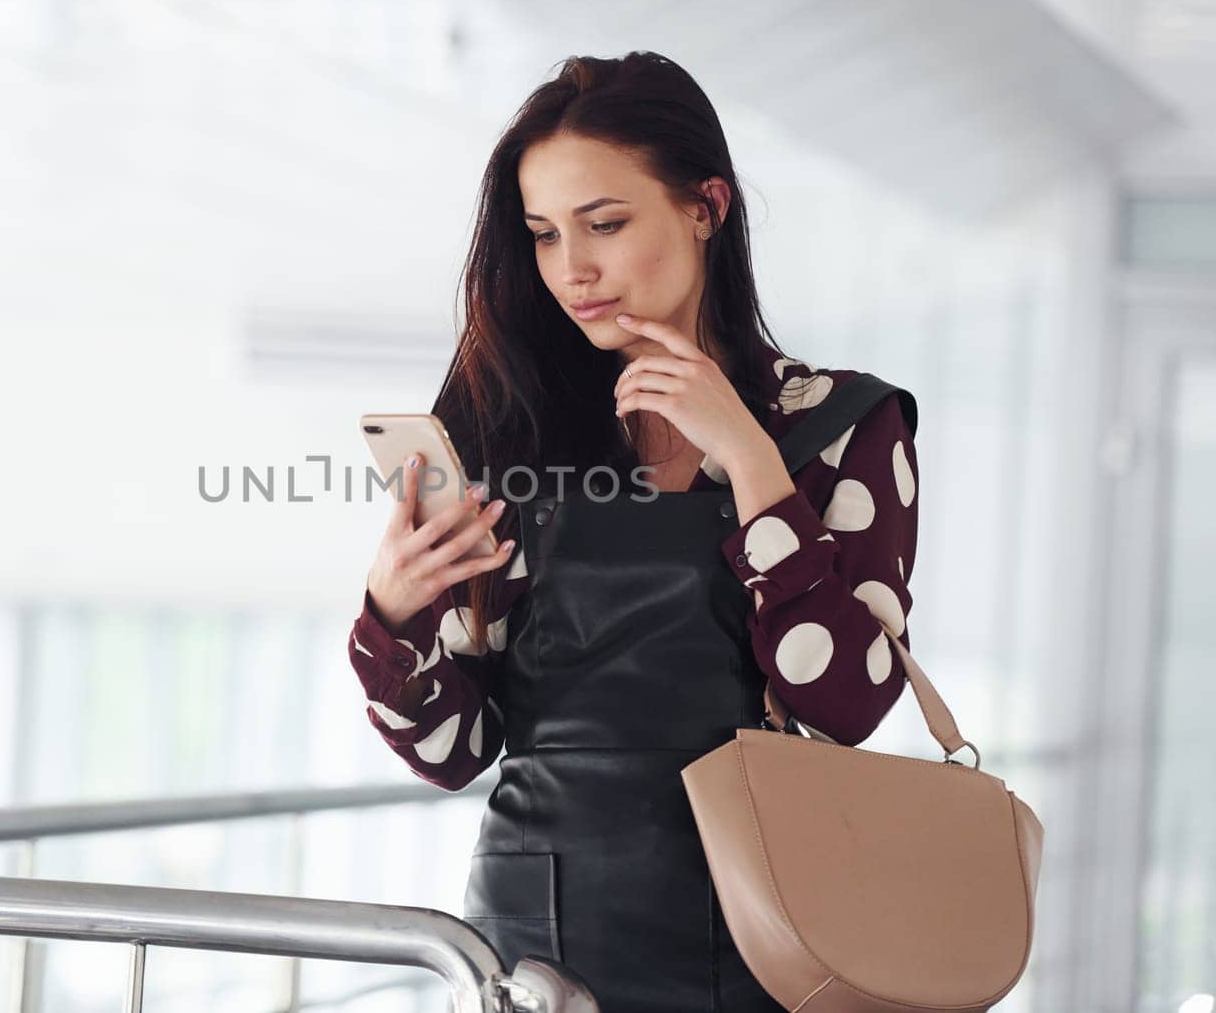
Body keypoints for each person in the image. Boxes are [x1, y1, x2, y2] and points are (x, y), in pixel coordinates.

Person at [347, 51, 920, 1013]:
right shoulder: (512, 433)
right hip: (534, 939)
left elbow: (849, 702)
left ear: (706, 206)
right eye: (542, 235)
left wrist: (752, 463)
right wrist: (391, 621)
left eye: (606, 223)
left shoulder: (844, 424)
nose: (573, 268)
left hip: (768, 922)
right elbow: (459, 749)